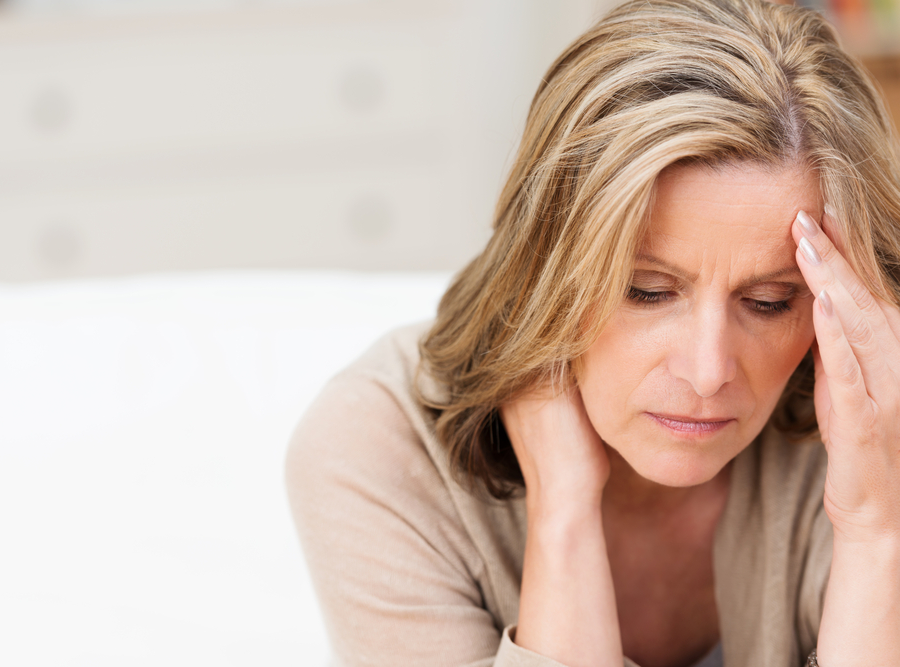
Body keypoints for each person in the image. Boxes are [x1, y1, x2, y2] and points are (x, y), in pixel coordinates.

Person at [285, 0, 900, 665]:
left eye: (770, 301)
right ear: (545, 266)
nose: (706, 370)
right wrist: (564, 515)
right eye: (646, 291)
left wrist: (876, 531)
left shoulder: (870, 420)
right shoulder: (376, 452)